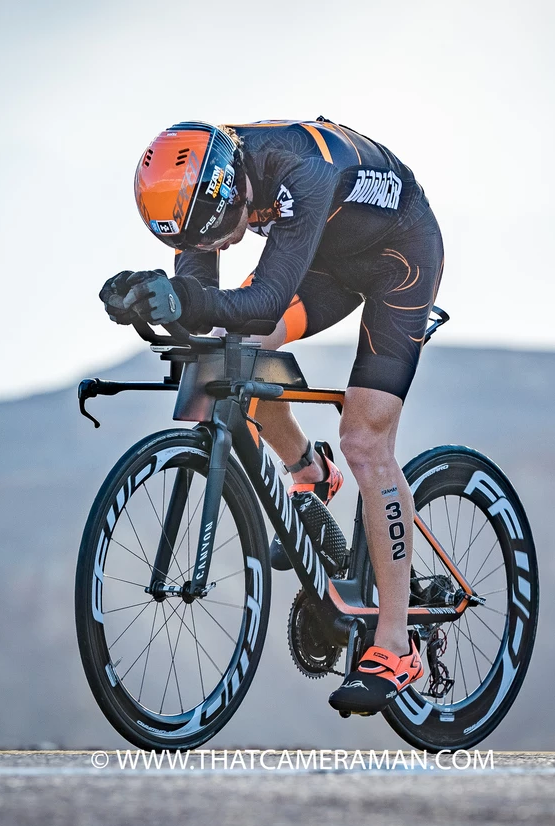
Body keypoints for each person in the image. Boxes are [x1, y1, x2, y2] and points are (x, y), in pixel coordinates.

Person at [99, 119, 443, 713]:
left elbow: (258, 307)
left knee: (365, 441)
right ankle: (309, 471)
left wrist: (188, 298)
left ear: (232, 191)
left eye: (221, 234)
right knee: (231, 357)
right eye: (197, 240)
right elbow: (201, 297)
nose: (221, 249)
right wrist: (151, 298)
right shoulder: (196, 182)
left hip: (397, 259)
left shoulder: (297, 171)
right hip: (323, 258)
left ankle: (395, 645)